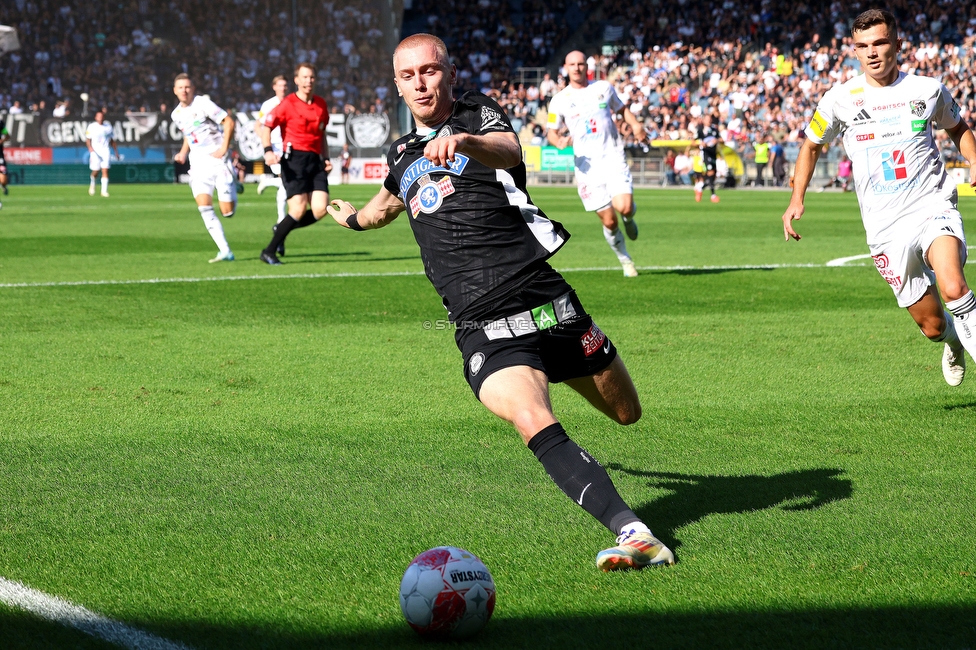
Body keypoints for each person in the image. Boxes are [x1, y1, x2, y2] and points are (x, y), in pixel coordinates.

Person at [326, 34, 675, 571]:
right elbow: (382, 209)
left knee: (626, 413)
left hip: (543, 298)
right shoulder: (401, 153)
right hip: (480, 321)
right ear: (396, 84)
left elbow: (509, 151)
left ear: (450, 72)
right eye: (409, 75)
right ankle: (634, 533)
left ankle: (574, 362)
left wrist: (463, 141)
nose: (421, 83)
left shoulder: (479, 114)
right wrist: (350, 217)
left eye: (431, 71)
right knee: (529, 415)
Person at [783, 8, 976, 388]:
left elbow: (958, 128)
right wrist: (796, 199)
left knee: (954, 287)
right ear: (855, 51)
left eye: (880, 43)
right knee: (933, 325)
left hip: (931, 206)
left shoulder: (927, 89)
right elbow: (810, 146)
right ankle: (952, 342)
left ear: (897, 44)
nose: (872, 52)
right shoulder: (840, 99)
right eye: (863, 46)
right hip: (885, 226)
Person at [546, 50, 645, 278]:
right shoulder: (560, 100)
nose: (577, 68)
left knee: (625, 207)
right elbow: (552, 133)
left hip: (612, 157)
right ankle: (625, 260)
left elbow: (622, 110)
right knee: (609, 221)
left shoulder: (603, 88)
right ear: (566, 67)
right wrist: (559, 141)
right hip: (587, 168)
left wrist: (637, 126)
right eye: (572, 64)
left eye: (581, 64)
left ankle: (629, 218)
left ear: (586, 66)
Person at [258, 63, 333, 265]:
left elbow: (322, 134)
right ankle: (269, 251)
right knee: (298, 209)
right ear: (297, 80)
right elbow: (266, 127)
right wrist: (268, 152)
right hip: (294, 160)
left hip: (315, 160)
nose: (308, 81)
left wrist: (326, 158)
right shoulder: (288, 103)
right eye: (304, 77)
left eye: (311, 77)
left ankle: (283, 226)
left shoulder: (321, 104)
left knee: (321, 209)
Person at [171, 73, 237, 263]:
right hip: (198, 164)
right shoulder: (175, 114)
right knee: (205, 209)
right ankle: (225, 251)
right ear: (175, 91)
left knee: (228, 212)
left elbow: (229, 122)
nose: (184, 90)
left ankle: (233, 183)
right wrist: (183, 152)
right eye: (180, 87)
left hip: (217, 160)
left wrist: (224, 148)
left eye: (187, 87)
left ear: (193, 89)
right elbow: (188, 134)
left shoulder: (203, 104)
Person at [256, 74, 290, 255]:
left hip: (290, 148)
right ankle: (280, 223)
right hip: (275, 149)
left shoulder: (292, 102)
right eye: (280, 85)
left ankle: (280, 223)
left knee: (287, 185)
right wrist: (266, 146)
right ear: (274, 87)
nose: (283, 88)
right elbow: (259, 125)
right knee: (285, 182)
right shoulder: (268, 105)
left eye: (285, 85)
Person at [85, 111, 119, 197]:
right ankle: (93, 183)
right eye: (98, 116)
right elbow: (88, 139)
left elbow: (111, 140)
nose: (100, 118)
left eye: (102, 116)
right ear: (95, 117)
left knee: (105, 170)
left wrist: (116, 152)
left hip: (105, 150)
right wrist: (90, 148)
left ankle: (104, 191)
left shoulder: (108, 127)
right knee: (96, 171)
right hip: (95, 151)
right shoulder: (91, 127)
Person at [694, 113, 722, 202]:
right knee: (710, 172)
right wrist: (700, 143)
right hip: (706, 154)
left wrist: (716, 140)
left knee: (713, 176)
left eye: (710, 119)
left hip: (713, 154)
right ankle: (713, 195)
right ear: (704, 120)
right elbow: (693, 141)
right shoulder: (700, 130)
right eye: (707, 119)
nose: (709, 121)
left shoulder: (714, 129)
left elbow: (721, 139)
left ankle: (700, 188)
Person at [0, 124, 9, 209]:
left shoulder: (0, 124)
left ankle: (3, 186)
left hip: (0, 157)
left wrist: (2, 140)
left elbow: (7, 135)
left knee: (3, 180)